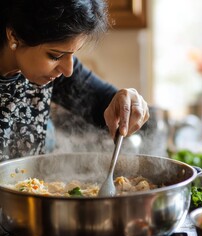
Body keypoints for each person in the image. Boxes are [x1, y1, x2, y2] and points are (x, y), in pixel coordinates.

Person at [0, 0, 149, 161]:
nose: (68, 70)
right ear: (14, 36)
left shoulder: (50, 70)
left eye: (73, 53)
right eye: (55, 56)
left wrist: (130, 103)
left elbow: (106, 105)